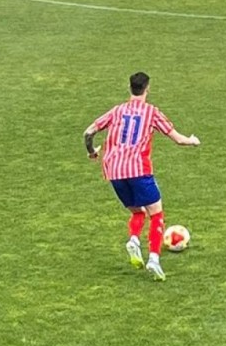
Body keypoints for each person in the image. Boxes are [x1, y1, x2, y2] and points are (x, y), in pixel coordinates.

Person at [83, 71, 201, 282]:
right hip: (139, 170)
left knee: (138, 212)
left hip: (113, 170)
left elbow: (88, 132)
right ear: (147, 89)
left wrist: (92, 152)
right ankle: (154, 259)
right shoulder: (152, 112)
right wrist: (192, 140)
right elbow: (177, 139)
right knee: (156, 214)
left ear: (130, 89)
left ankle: (134, 240)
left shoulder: (117, 111)